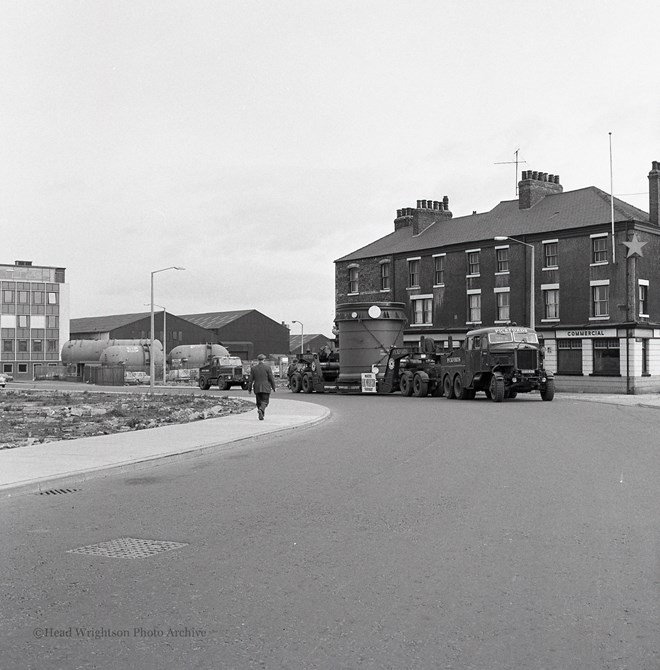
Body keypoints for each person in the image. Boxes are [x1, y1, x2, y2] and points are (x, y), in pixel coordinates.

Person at [247, 354, 276, 420]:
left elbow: (250, 380)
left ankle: (261, 414)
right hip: (266, 387)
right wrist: (274, 387)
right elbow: (271, 378)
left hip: (257, 387)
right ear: (264, 359)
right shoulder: (267, 368)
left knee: (259, 402)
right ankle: (261, 410)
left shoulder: (253, 368)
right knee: (265, 401)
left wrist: (249, 389)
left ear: (258, 360)